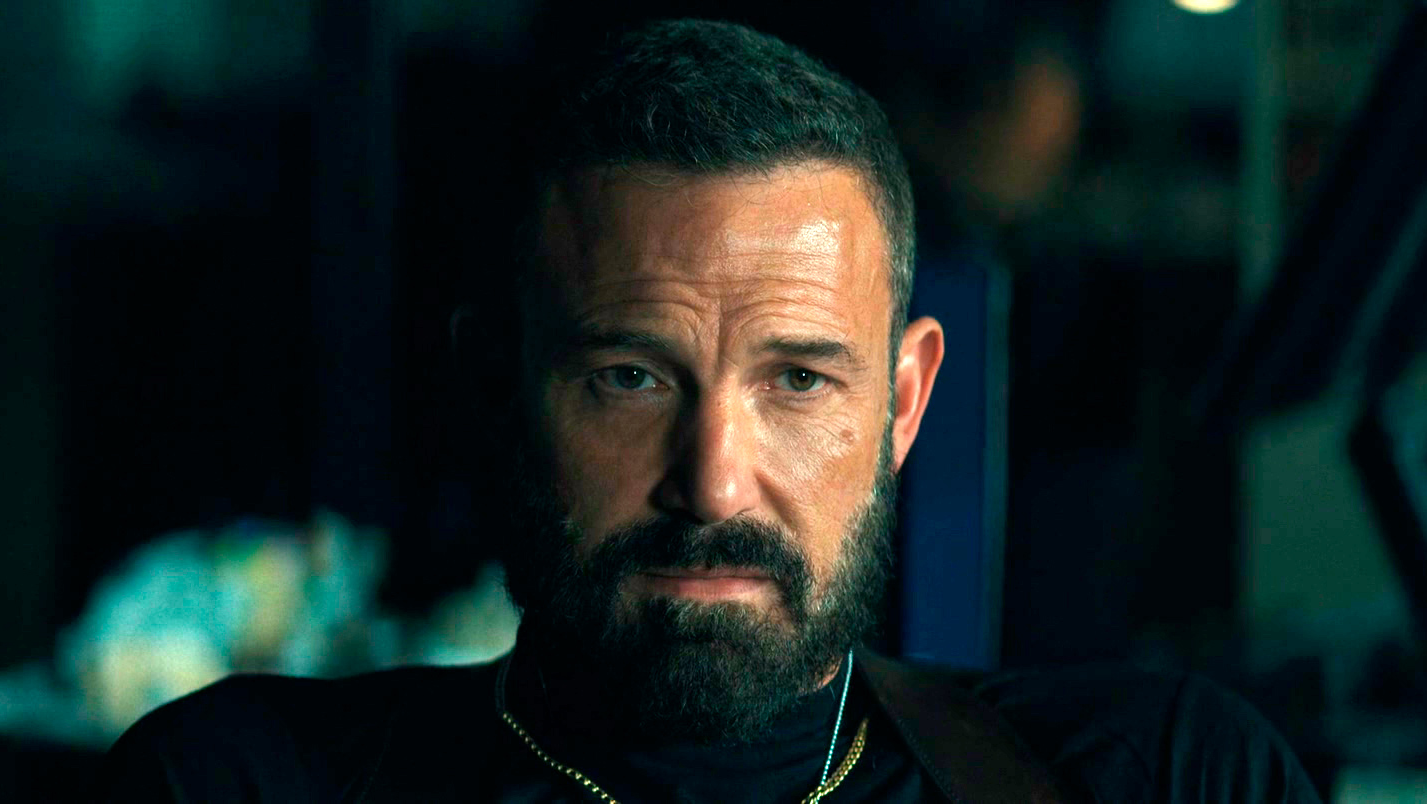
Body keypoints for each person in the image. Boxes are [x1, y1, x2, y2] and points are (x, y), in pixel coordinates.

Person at [102, 19, 1321, 803]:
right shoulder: (235, 788)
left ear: (902, 404)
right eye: (630, 378)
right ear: (497, 387)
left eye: (798, 381)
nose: (715, 482)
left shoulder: (1162, 779)